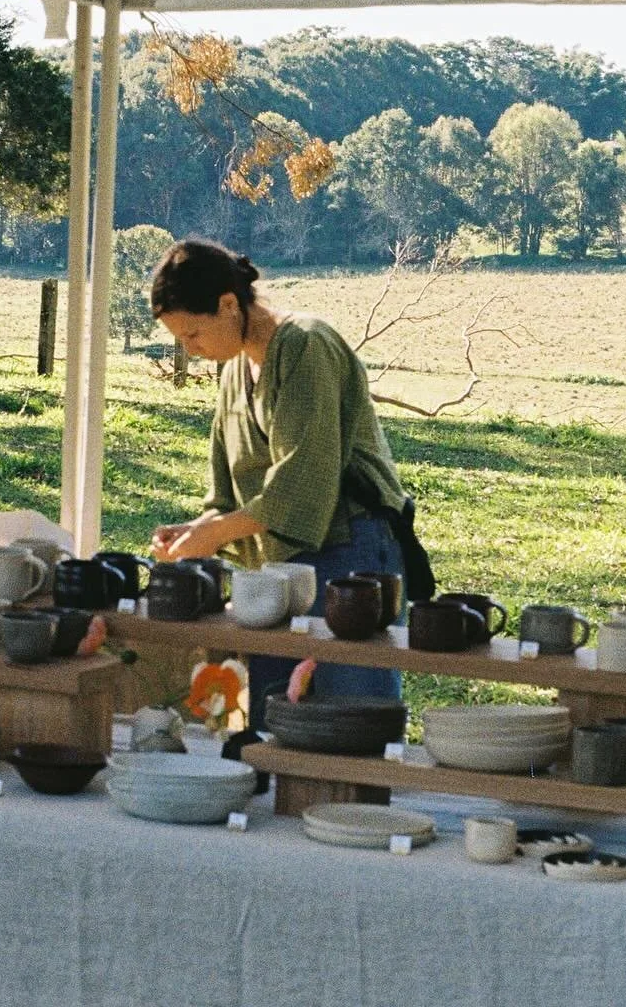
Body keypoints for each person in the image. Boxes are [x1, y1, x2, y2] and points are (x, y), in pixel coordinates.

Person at [149, 237, 423, 718]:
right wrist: (196, 531)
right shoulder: (234, 370)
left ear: (228, 304)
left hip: (350, 550)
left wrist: (216, 532)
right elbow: (229, 489)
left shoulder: (305, 344)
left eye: (193, 334)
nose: (189, 350)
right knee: (277, 716)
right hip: (276, 562)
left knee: (350, 715)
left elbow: (301, 479)